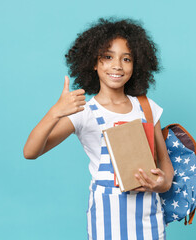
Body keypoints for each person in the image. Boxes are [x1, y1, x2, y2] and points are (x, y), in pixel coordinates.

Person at [23, 17, 174, 240]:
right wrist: (55, 111)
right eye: (108, 57)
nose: (117, 66)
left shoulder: (146, 107)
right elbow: (31, 152)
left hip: (148, 219)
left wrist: (162, 183)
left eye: (126, 59)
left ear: (136, 64)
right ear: (93, 63)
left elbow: (165, 165)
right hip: (107, 220)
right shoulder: (85, 112)